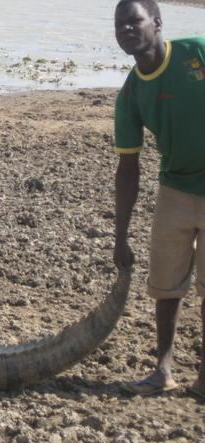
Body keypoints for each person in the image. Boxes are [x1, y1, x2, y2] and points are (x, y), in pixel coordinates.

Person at [113, 0, 205, 398]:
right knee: (166, 285)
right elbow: (128, 168)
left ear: (157, 22)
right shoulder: (131, 92)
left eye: (134, 21)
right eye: (120, 25)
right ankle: (162, 370)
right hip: (175, 188)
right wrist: (120, 235)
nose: (126, 30)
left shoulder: (196, 52)